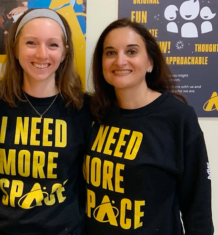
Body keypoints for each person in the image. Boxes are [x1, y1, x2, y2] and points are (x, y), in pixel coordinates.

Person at [84, 18, 213, 234]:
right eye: (110, 53)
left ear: (150, 62)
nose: (120, 61)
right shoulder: (93, 112)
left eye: (132, 52)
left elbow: (197, 205)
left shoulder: (177, 117)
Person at [0, 8, 91, 235]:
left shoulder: (82, 107)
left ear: (65, 52)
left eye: (53, 45)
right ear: (15, 47)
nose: (42, 54)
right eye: (31, 43)